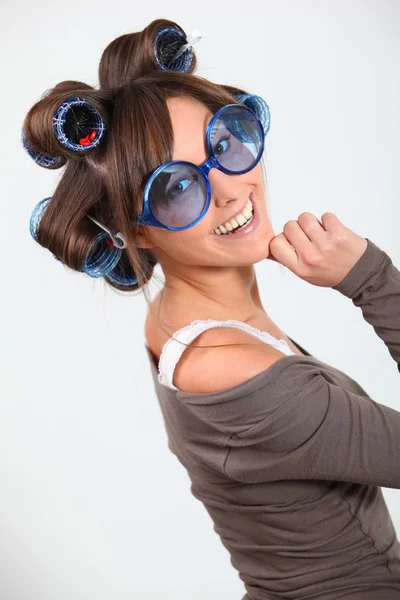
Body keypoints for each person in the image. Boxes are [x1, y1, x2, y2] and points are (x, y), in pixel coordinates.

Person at [22, 17, 400, 600]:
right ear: (135, 232)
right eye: (175, 188)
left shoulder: (176, 315)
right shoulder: (234, 371)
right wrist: (372, 278)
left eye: (225, 144)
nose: (228, 188)